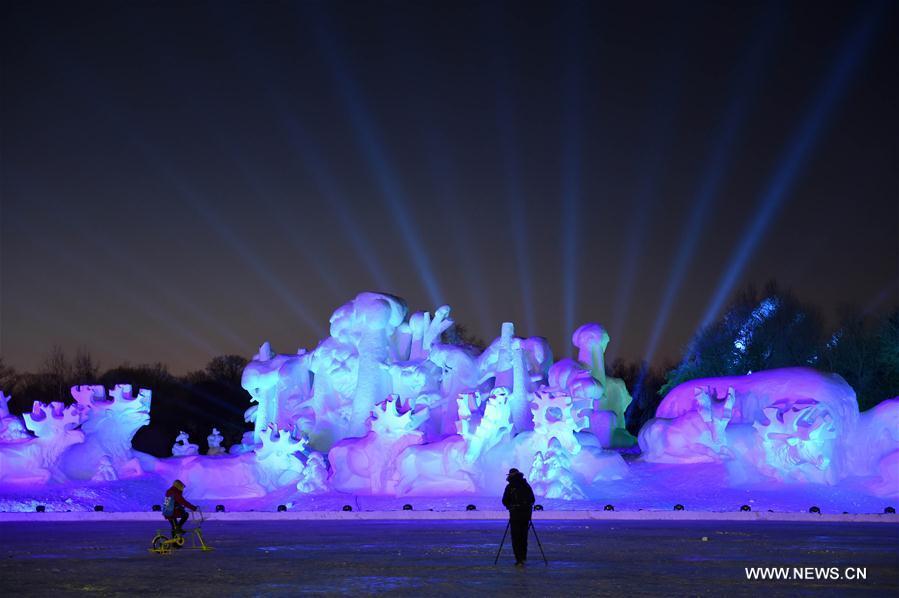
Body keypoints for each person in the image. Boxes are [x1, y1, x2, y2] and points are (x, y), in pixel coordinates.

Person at [501, 467, 535, 566]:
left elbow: (504, 500)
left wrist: (510, 506)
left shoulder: (510, 487)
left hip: (516, 515)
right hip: (525, 515)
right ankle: (522, 558)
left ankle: (519, 559)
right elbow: (532, 500)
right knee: (523, 537)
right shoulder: (525, 485)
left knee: (516, 538)